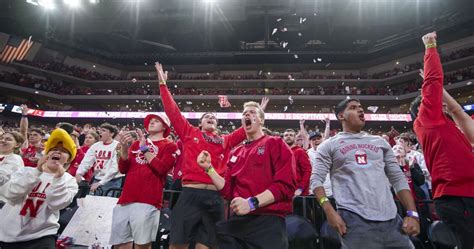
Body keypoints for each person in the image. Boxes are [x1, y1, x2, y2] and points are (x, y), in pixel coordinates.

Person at [156, 63, 268, 249]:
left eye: (213, 117)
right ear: (200, 123)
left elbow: (247, 129)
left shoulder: (225, 140)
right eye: (206, 116)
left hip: (216, 198)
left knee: (207, 246)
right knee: (178, 244)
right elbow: (172, 111)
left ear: (216, 124)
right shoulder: (189, 133)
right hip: (191, 194)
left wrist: (259, 114)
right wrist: (162, 85)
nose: (210, 118)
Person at [311, 98, 419, 249]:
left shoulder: (380, 142)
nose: (361, 110)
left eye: (361, 107)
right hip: (354, 220)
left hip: (392, 220)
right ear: (341, 116)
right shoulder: (329, 145)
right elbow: (316, 181)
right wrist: (329, 211)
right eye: (354, 108)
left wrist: (413, 213)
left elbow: (398, 178)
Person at [197, 101, 296, 249]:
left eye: (252, 112)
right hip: (240, 221)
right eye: (244, 114)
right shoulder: (236, 152)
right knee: (210, 234)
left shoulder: (276, 143)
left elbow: (285, 186)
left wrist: (251, 203)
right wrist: (209, 169)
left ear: (261, 120)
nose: (247, 115)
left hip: (268, 221)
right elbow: (227, 190)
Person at [410, 32, 474, 248]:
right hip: (458, 197)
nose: (440, 103)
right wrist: (430, 47)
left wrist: (444, 94)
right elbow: (433, 81)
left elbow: (457, 111)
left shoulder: (445, 127)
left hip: (463, 195)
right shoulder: (427, 119)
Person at [0, 128, 78, 249]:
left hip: (42, 236)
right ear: (46, 154)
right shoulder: (26, 170)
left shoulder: (69, 180)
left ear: (68, 159)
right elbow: (10, 194)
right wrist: (37, 172)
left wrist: (58, 179)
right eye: (54, 150)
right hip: (7, 234)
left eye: (63, 151)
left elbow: (56, 204)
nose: (57, 152)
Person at [110, 114, 178, 249]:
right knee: (120, 244)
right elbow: (123, 169)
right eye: (150, 121)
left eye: (156, 121)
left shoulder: (170, 145)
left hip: (148, 200)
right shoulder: (136, 143)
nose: (151, 123)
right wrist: (124, 149)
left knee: (142, 244)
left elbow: (162, 168)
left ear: (165, 125)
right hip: (125, 198)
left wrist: (144, 148)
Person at [76, 123, 122, 195]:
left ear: (111, 134)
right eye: (100, 130)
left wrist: (101, 182)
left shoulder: (117, 146)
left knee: (107, 204)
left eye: (103, 130)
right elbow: (86, 161)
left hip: (113, 181)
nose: (100, 132)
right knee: (93, 203)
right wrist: (79, 173)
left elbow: (115, 167)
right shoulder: (95, 146)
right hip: (97, 179)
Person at [283, 128, 311, 196]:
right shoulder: (281, 153)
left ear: (295, 138)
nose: (288, 136)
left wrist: (301, 188)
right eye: (286, 135)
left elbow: (307, 171)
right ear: (283, 138)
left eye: (291, 135)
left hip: (298, 192)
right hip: (285, 190)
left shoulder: (300, 151)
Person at [0, 131, 25, 207]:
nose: (3, 140)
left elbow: (1, 179)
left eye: (8, 139)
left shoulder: (15, 159)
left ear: (17, 144)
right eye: (2, 138)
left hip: (3, 202)